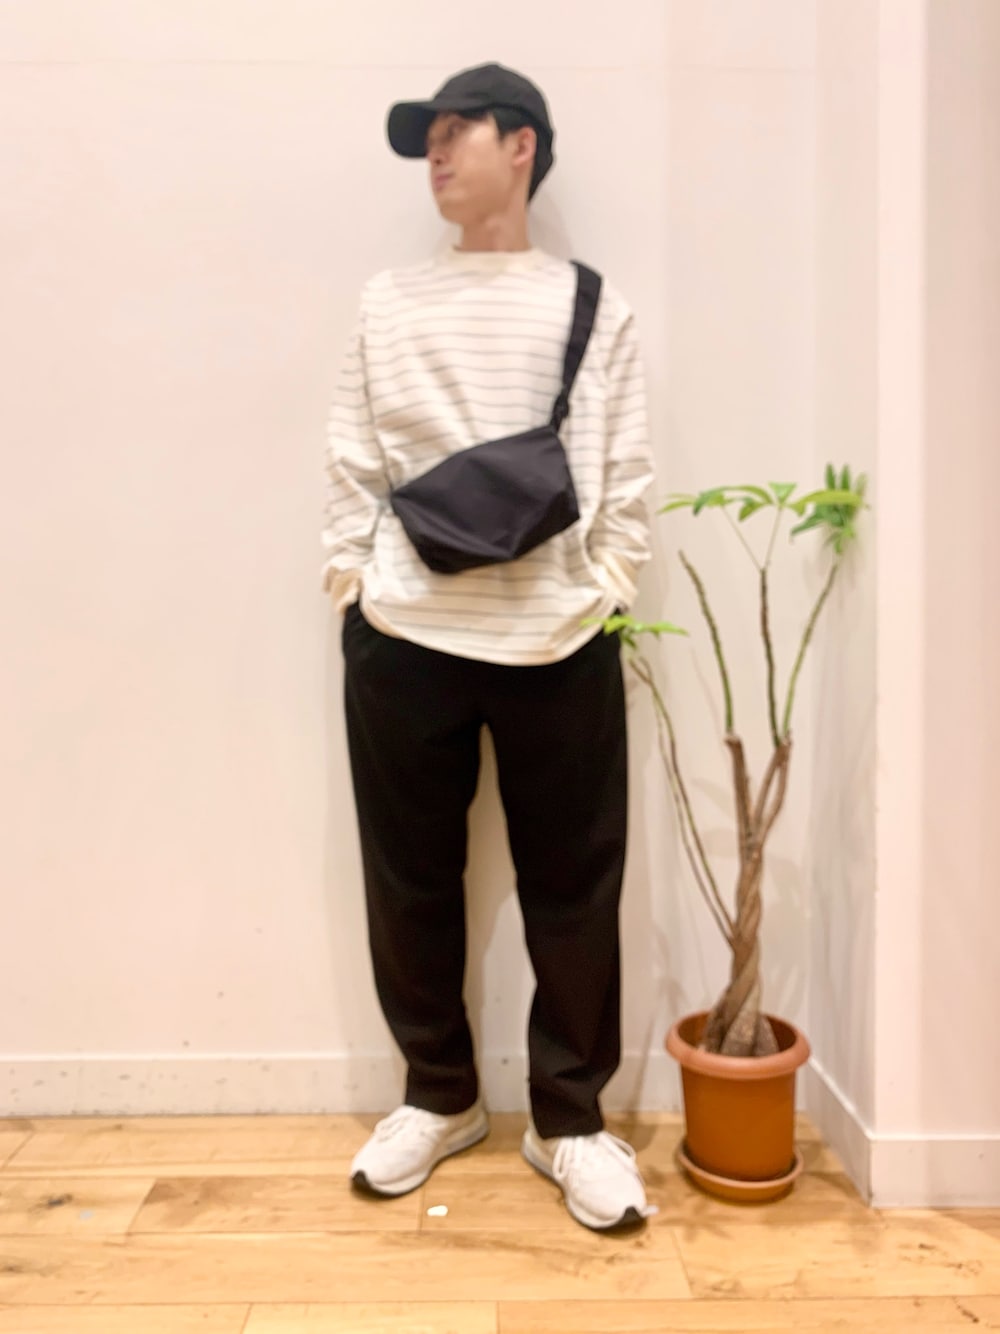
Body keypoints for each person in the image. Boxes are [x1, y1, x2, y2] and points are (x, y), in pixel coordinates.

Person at [322, 62, 655, 1231]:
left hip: (559, 636)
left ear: (523, 146)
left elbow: (624, 470)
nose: (435, 150)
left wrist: (606, 589)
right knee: (407, 875)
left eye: (457, 129)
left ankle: (570, 1119)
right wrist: (352, 587)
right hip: (403, 630)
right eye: (427, 134)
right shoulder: (387, 301)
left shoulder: (592, 303)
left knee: (575, 884)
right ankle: (438, 1094)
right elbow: (352, 457)